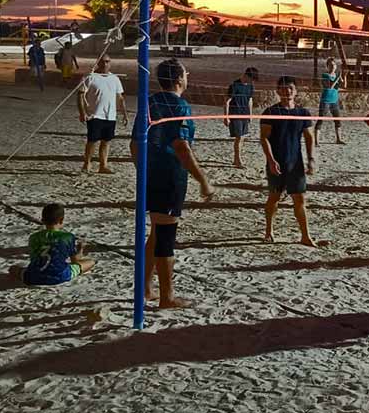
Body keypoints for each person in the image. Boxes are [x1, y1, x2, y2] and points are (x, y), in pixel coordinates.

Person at [136, 58, 214, 309]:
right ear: (180, 79)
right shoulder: (180, 106)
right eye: (186, 74)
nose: (188, 77)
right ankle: (167, 298)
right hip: (170, 177)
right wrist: (203, 180)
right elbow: (181, 147)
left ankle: (145, 288)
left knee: (156, 233)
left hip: (150, 174)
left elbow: (135, 145)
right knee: (166, 237)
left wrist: (144, 172)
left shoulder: (149, 102)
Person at [259, 76, 319, 245]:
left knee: (299, 199)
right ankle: (269, 231)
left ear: (296, 91)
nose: (287, 91)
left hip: (295, 163)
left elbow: (309, 137)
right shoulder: (270, 112)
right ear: (278, 91)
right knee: (274, 198)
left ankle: (305, 236)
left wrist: (311, 159)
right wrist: (271, 160)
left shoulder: (302, 113)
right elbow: (264, 138)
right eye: (283, 88)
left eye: (290, 88)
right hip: (277, 162)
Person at [11, 203, 95, 285]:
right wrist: (81, 249)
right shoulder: (67, 237)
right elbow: (75, 260)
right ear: (61, 220)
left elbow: (34, 258)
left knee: (12, 268)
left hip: (32, 277)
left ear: (42, 220)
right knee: (90, 262)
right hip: (59, 276)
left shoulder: (34, 237)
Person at [77, 55, 128, 174]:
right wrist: (82, 112)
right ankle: (87, 163)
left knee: (106, 141)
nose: (105, 64)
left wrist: (124, 114)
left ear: (110, 63)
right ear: (98, 63)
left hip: (110, 115)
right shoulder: (90, 77)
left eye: (107, 62)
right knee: (92, 140)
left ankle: (103, 165)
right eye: (103, 62)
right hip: (94, 114)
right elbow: (80, 94)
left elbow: (120, 98)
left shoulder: (115, 78)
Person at [224, 67, 259, 168]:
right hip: (235, 114)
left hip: (245, 115)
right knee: (239, 137)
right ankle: (238, 160)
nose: (252, 81)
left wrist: (250, 115)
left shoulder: (250, 86)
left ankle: (236, 159)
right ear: (246, 76)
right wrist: (226, 117)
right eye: (251, 79)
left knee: (242, 137)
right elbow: (227, 101)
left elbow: (250, 101)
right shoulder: (234, 86)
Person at [316, 58, 347, 145]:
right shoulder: (325, 75)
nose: (333, 67)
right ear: (327, 66)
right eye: (331, 65)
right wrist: (338, 77)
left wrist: (344, 76)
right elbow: (330, 86)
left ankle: (338, 139)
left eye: (334, 65)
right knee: (321, 120)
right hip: (326, 100)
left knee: (337, 120)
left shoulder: (336, 75)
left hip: (334, 100)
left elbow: (344, 86)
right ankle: (316, 141)